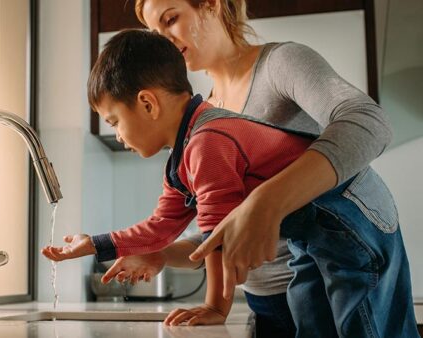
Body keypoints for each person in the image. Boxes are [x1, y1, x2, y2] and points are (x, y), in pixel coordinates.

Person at [42, 29, 418, 337]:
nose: (119, 136)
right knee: (310, 315)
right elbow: (161, 228)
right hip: (311, 233)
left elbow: (215, 239)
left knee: (362, 325)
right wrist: (96, 244)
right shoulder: (184, 154)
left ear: (147, 103)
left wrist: (215, 307)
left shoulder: (208, 142)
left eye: (113, 122)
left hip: (349, 218)